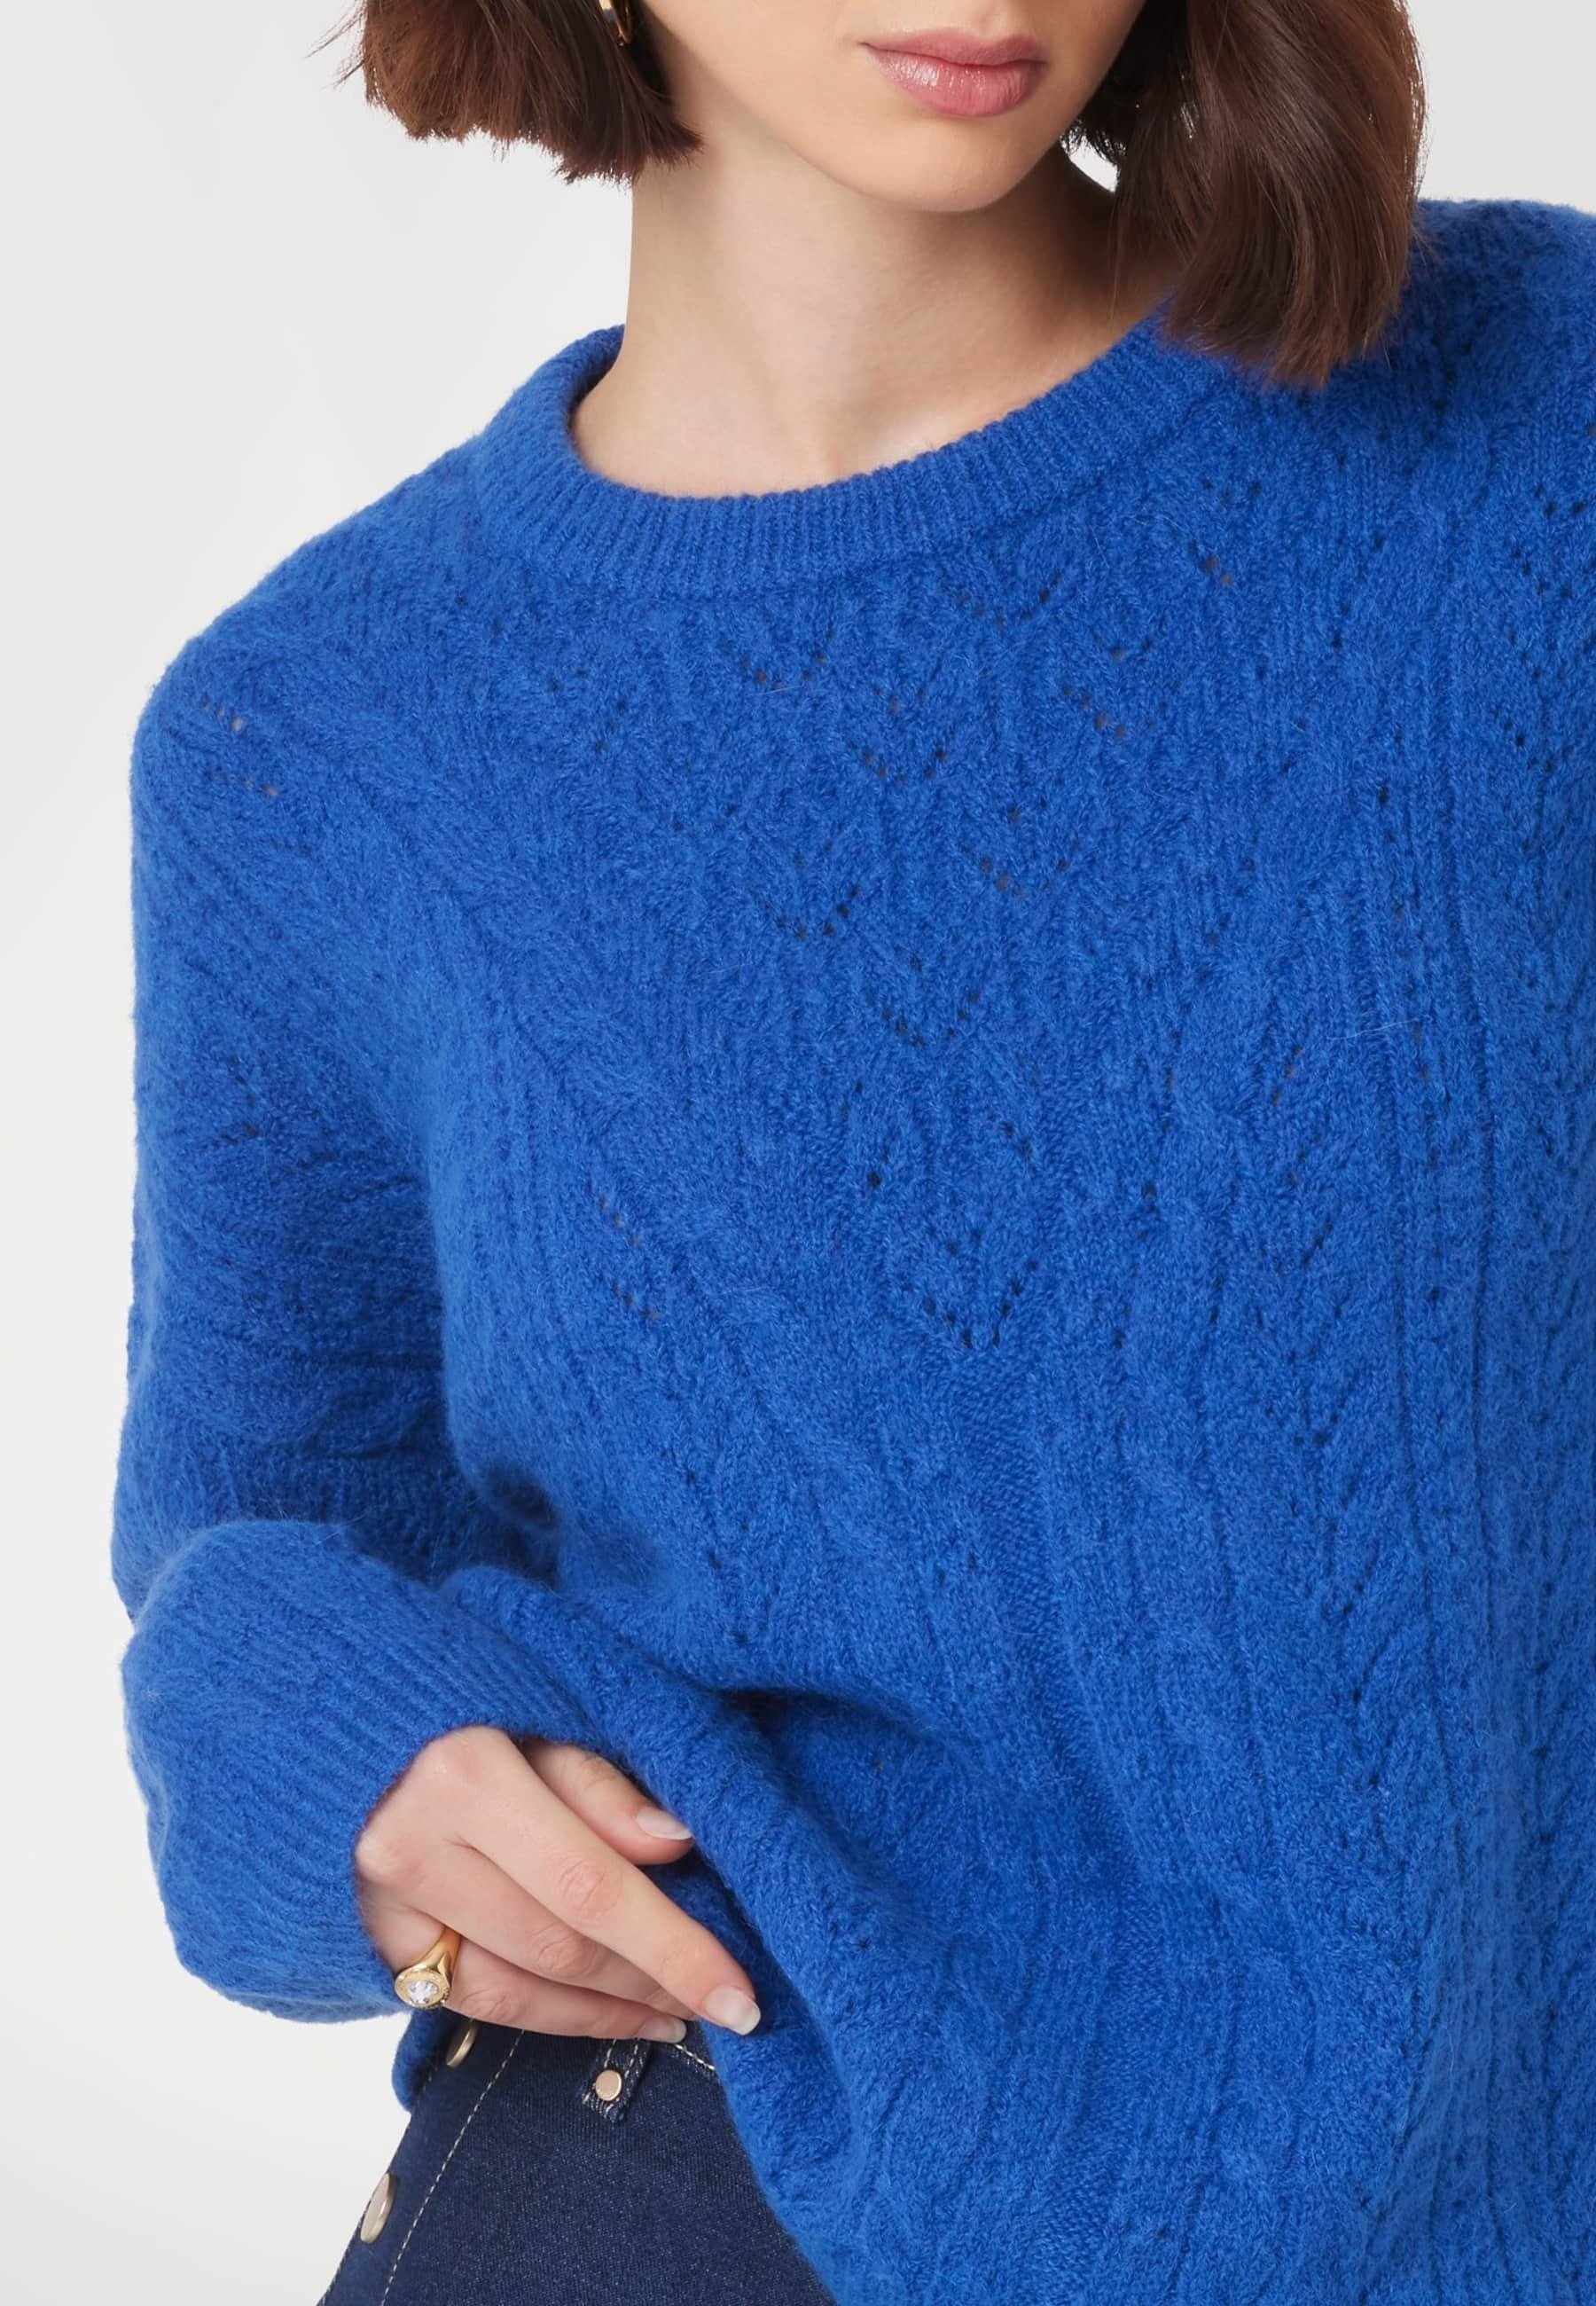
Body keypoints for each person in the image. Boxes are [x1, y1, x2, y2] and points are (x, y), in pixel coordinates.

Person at [111, 2, 1596, 2301]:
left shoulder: (1528, 421)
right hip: (691, 2185)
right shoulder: (313, 741)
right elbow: (261, 1546)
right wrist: (344, 1759)